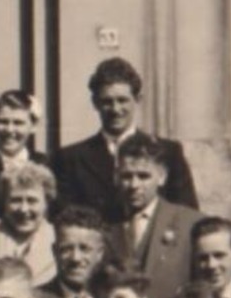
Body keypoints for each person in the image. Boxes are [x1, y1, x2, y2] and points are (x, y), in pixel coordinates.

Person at [53, 56, 198, 221]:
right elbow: (65, 218)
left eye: (122, 100)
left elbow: (187, 214)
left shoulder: (168, 152)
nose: (115, 109)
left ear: (137, 100)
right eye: (107, 102)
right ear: (95, 103)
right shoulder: (70, 159)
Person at [105, 134, 202, 298]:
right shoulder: (105, 224)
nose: (134, 185)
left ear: (162, 177)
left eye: (143, 176)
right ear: (116, 177)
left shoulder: (190, 224)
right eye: (127, 176)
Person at [32, 205, 110, 298]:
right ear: (54, 251)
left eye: (84, 249)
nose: (75, 258)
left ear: (100, 253)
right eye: (66, 249)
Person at [0, 162, 57, 287]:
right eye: (15, 200)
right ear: (4, 202)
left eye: (32, 200)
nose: (23, 209)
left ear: (46, 202)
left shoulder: (57, 239)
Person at [0, 89, 53, 183]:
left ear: (33, 126)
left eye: (18, 123)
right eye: (3, 122)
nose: (9, 130)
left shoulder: (47, 165)